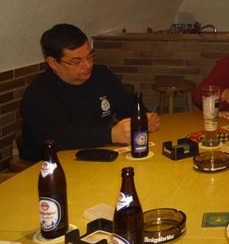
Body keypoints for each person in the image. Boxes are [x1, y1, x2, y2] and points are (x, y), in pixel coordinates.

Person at [20, 24, 160, 162]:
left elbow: (127, 106)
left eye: (89, 56)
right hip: (49, 165)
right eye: (76, 62)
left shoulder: (102, 75)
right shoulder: (40, 92)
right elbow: (57, 137)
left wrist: (144, 119)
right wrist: (111, 135)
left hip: (96, 154)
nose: (87, 65)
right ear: (53, 62)